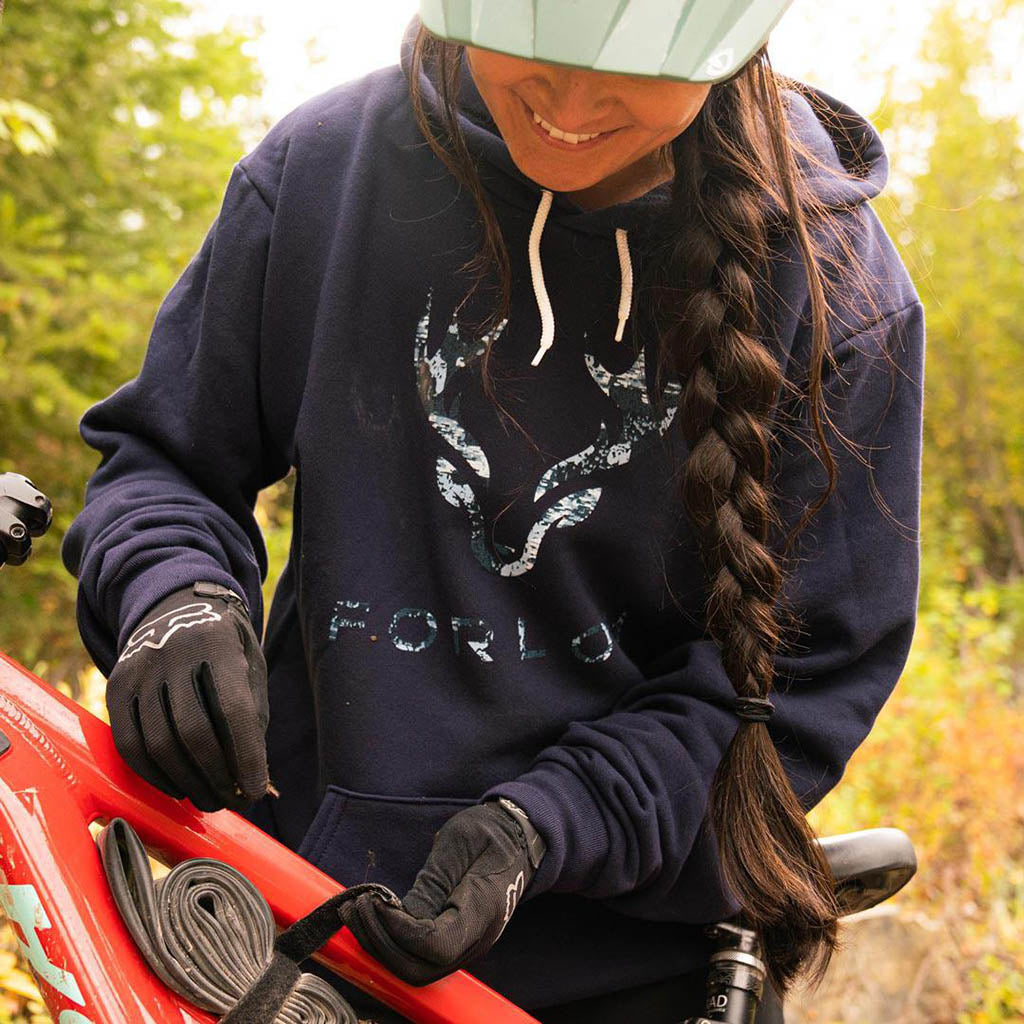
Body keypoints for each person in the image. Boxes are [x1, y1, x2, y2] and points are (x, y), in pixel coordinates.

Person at [61, 2, 925, 1021]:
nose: (570, 105)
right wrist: (176, 597)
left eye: (632, 70)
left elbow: (803, 678)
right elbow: (166, 462)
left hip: (630, 977)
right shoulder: (326, 173)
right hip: (299, 938)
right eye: (537, 47)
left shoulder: (835, 289)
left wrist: (548, 825)